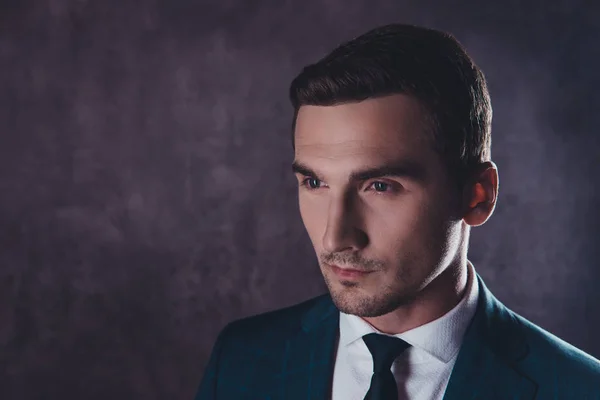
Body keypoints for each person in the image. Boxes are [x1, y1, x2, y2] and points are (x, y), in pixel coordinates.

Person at [194, 23, 600, 400]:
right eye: (315, 183)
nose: (335, 237)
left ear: (478, 196)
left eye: (380, 187)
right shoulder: (241, 360)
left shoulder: (578, 388)